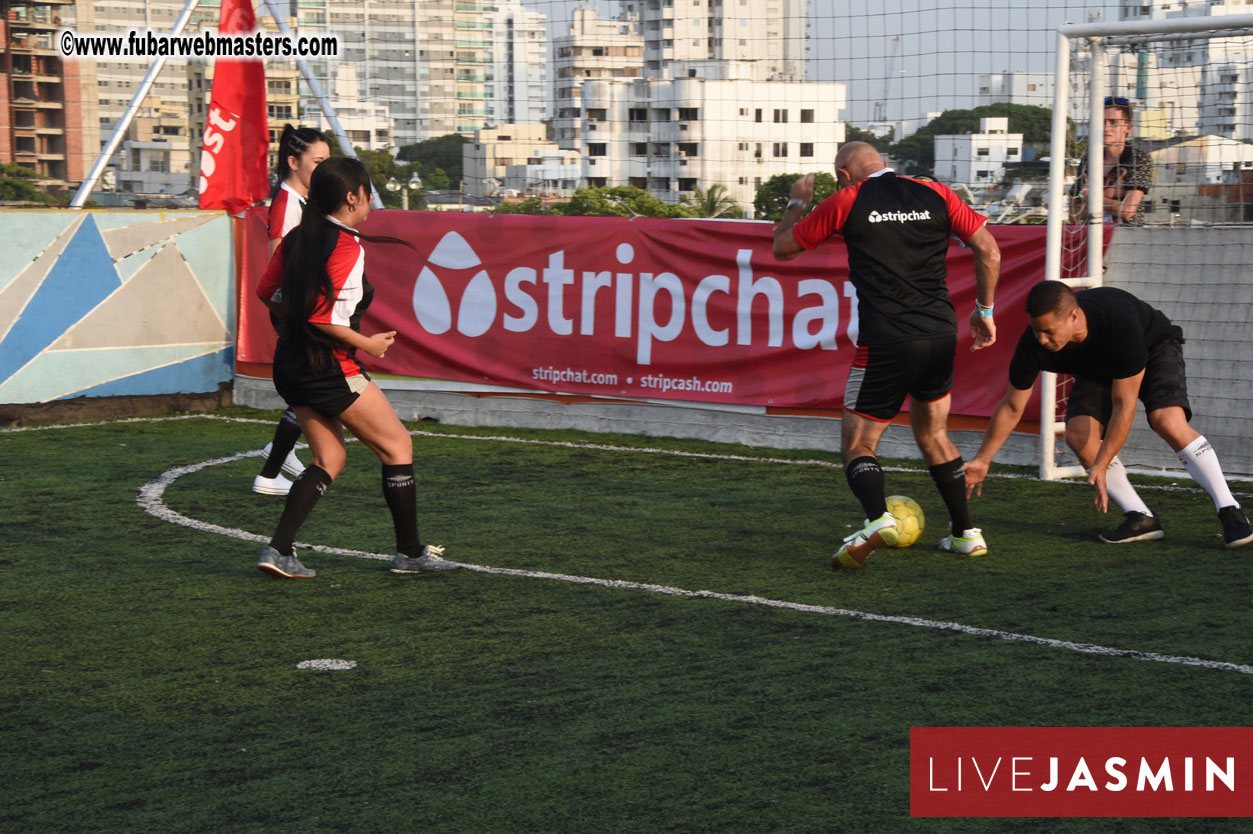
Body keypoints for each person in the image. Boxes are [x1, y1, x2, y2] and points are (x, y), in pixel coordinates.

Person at [773, 141, 1002, 569]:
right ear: (883, 164)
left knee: (859, 444)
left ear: (843, 173)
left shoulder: (847, 199)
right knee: (934, 434)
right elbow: (989, 250)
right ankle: (966, 534)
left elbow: (782, 247)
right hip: (939, 333)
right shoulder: (937, 192)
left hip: (887, 340)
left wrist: (795, 203)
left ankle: (877, 519)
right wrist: (984, 312)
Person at [254, 157, 457, 578]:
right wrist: (367, 343)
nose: (371, 200)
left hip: (289, 365)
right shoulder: (347, 246)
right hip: (328, 367)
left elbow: (266, 293)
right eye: (367, 191)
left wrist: (295, 323)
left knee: (329, 457)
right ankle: (410, 554)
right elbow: (321, 319)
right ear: (352, 197)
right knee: (397, 446)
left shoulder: (295, 238)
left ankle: (278, 551)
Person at [964, 280, 1253, 549]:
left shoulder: (1118, 322)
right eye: (1036, 330)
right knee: (1078, 434)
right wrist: (982, 459)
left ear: (1074, 317)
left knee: (1166, 420)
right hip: (1096, 368)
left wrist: (1101, 463)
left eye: (1049, 331)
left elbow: (1123, 406)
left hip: (1153, 349)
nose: (1041, 339)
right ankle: (1141, 517)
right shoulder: (1033, 344)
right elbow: (1013, 406)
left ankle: (1229, 508)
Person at [253, 125, 331, 497]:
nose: (325, 169)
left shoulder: (303, 201)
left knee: (311, 391)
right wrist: (297, 316)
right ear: (292, 162)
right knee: (315, 389)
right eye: (319, 162)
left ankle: (274, 462)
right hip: (296, 311)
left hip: (302, 310)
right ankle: (271, 470)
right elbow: (277, 268)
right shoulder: (287, 205)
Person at [1068, 97, 1152, 227]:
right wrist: (1110, 194)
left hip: (1124, 238)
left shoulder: (1138, 159)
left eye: (1114, 122)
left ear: (1127, 127)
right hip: (1089, 239)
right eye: (1102, 122)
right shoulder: (1088, 160)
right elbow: (1073, 215)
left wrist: (1090, 198)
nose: (1106, 128)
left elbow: (1127, 210)